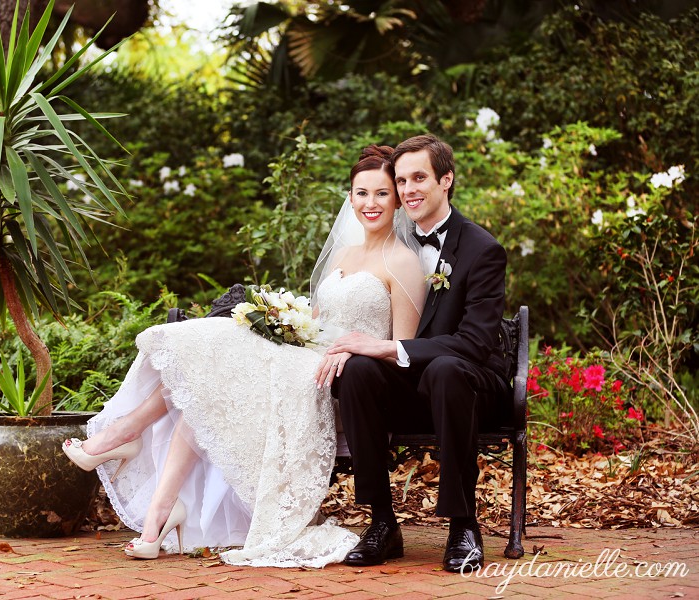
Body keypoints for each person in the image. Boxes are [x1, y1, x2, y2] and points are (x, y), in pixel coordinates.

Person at [61, 145, 427, 568]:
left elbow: (403, 350)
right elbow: (318, 321)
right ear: (349, 198)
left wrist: (354, 352)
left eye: (382, 194)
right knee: (209, 373)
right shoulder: (343, 256)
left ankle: (121, 441)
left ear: (397, 200)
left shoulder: (403, 263)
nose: (371, 203)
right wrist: (284, 321)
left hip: (346, 379)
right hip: (305, 360)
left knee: (212, 365)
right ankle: (155, 512)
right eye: (361, 193)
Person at [328, 134, 511, 572]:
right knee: (357, 373)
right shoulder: (395, 239)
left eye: (419, 178)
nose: (408, 189)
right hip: (414, 387)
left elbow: (475, 344)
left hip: (470, 386)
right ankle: (382, 523)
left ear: (445, 180)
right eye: (402, 180)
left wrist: (390, 347)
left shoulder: (482, 250)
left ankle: (463, 525)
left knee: (448, 369)